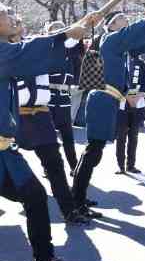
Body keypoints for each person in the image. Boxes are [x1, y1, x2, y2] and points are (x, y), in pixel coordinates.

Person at [0, 3, 90, 261]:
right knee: (36, 195)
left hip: (4, 149)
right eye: (5, 15)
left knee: (36, 196)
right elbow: (29, 53)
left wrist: (72, 34)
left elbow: (32, 55)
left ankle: (44, 259)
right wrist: (65, 35)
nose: (12, 17)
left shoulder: (9, 51)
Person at [72, 4, 145, 219]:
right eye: (121, 18)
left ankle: (78, 196)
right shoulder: (112, 40)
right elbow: (139, 30)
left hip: (108, 99)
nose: (126, 20)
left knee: (94, 151)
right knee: (93, 151)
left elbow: (144, 40)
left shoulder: (117, 46)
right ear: (110, 25)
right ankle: (76, 199)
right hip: (103, 99)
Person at [13, 20, 88, 226]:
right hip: (14, 116)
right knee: (7, 164)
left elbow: (67, 41)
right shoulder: (6, 51)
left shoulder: (37, 45)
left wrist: (89, 21)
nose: (18, 22)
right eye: (12, 21)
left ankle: (69, 210)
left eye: (19, 21)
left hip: (41, 115)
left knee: (54, 163)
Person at [45, 21, 80, 175]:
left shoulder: (70, 50)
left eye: (61, 29)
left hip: (64, 98)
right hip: (49, 98)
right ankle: (50, 168)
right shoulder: (46, 48)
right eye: (55, 30)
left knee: (67, 135)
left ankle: (74, 166)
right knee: (49, 137)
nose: (59, 32)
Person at [115, 52, 145, 175]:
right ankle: (121, 165)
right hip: (121, 102)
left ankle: (131, 165)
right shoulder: (118, 63)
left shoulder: (142, 64)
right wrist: (127, 96)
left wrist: (137, 95)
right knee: (121, 136)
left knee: (134, 136)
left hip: (137, 103)